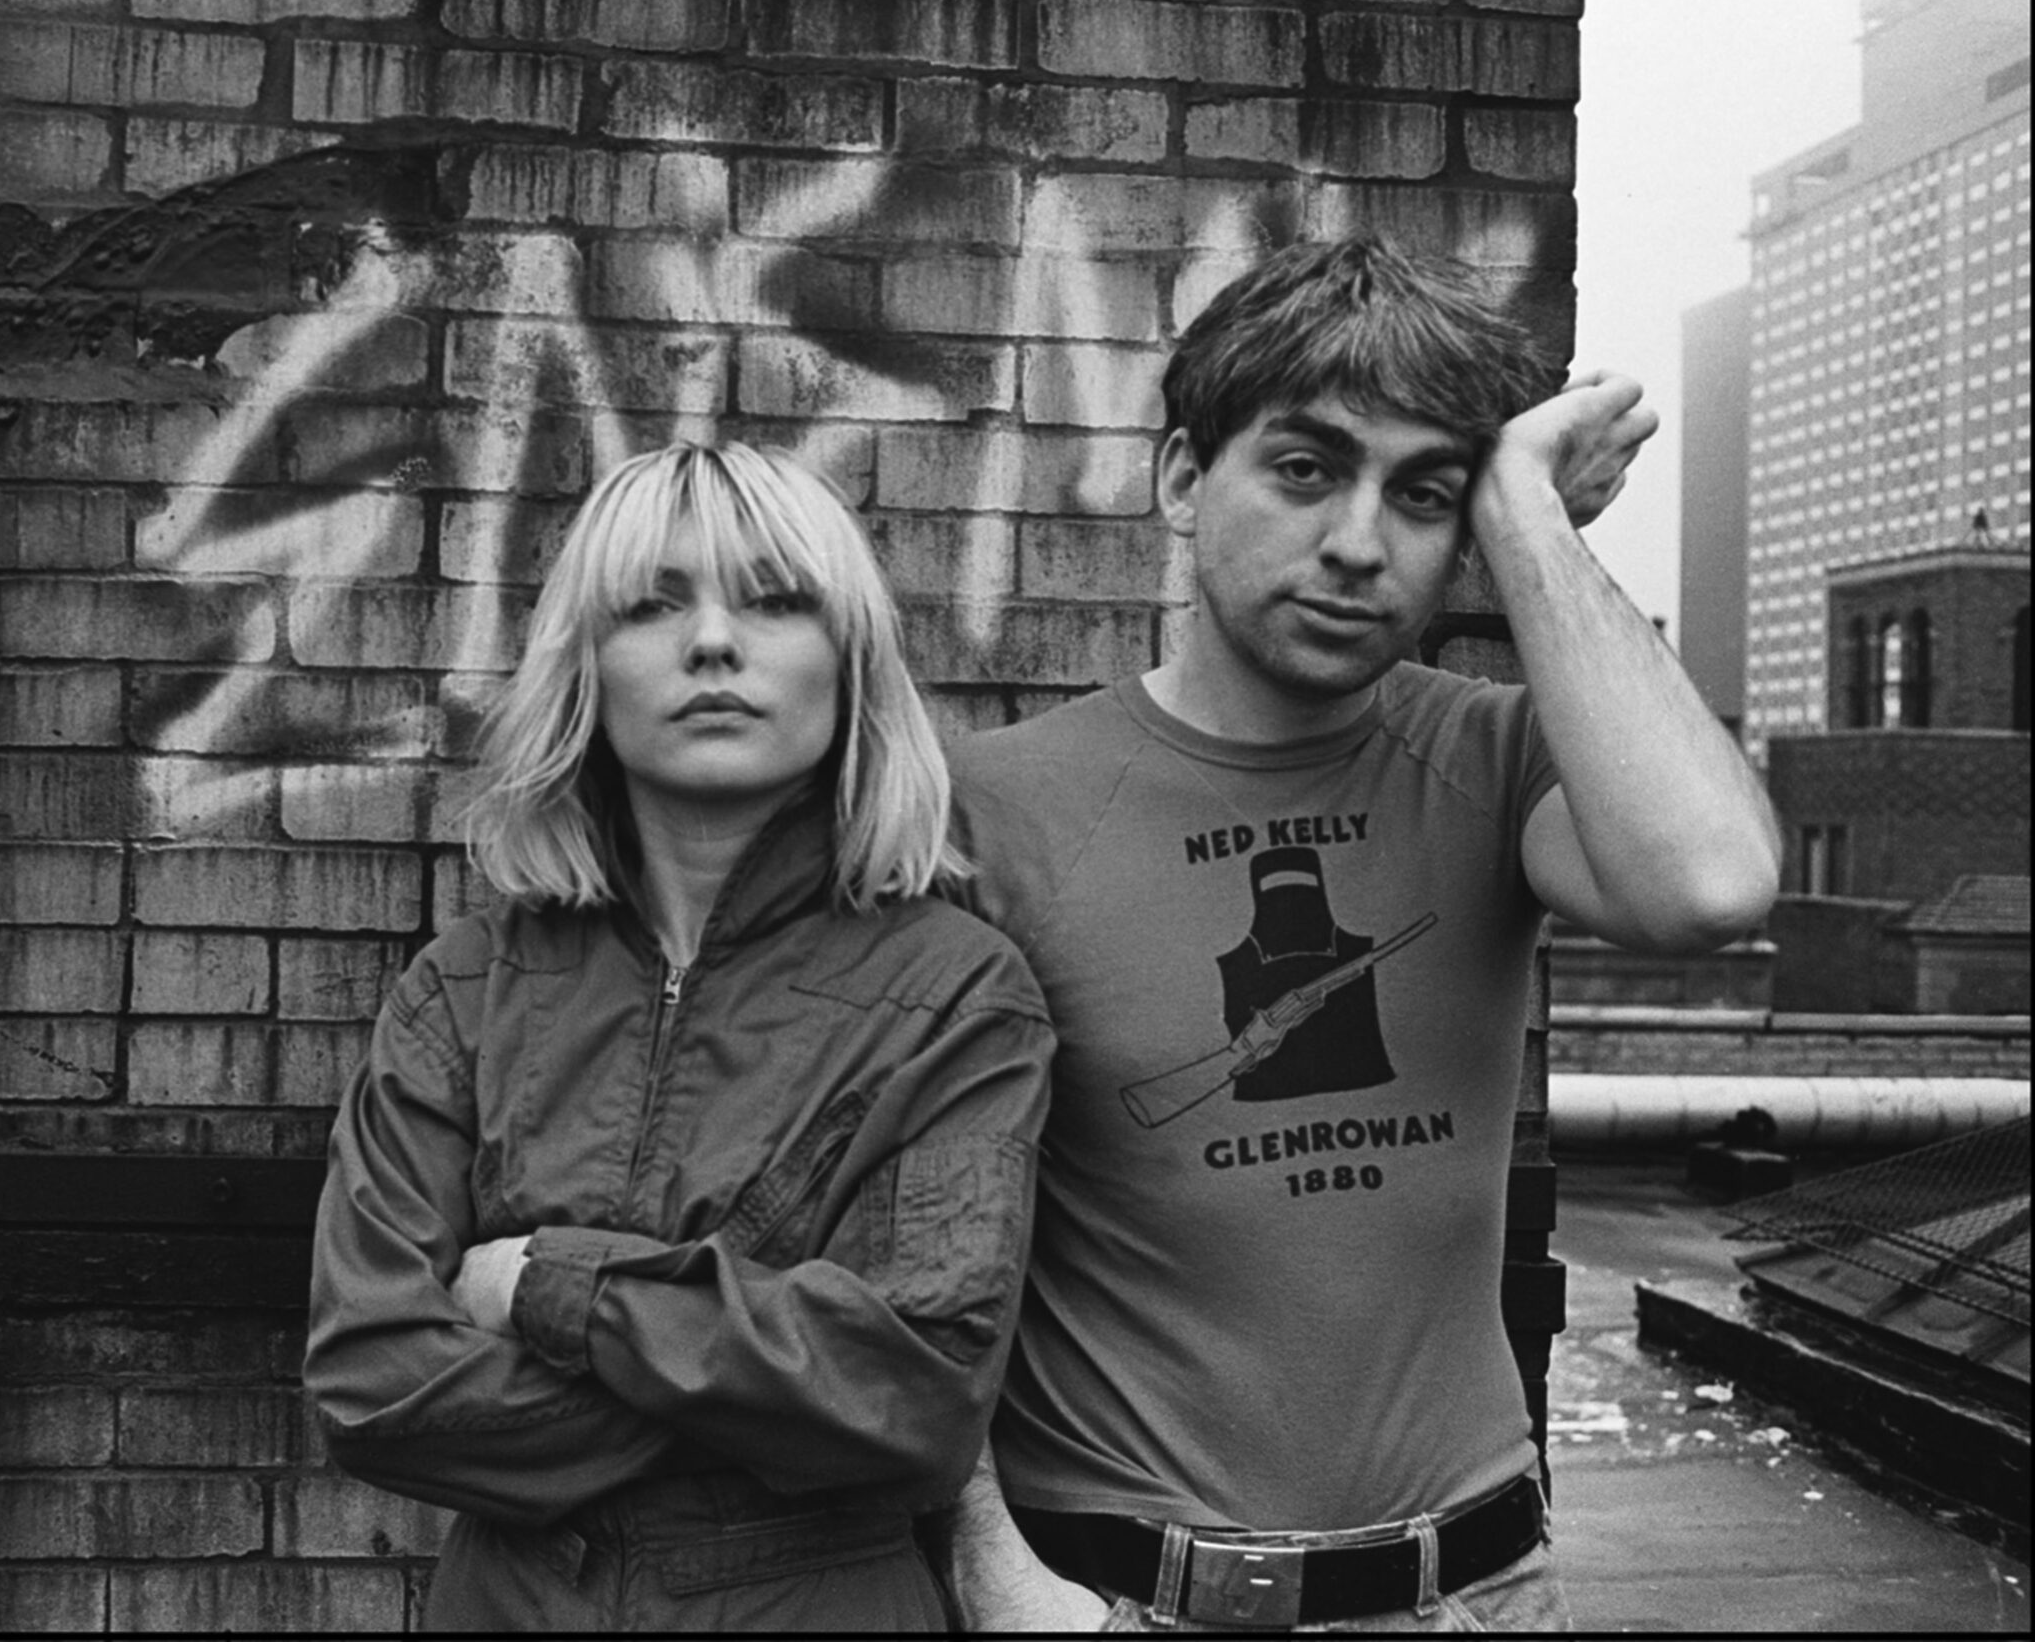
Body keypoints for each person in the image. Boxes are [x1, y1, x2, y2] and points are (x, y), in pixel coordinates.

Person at [940, 238, 1781, 1632]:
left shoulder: (1491, 757)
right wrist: (987, 1558)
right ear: (1182, 478)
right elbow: (911, 1230)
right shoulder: (998, 803)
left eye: (1422, 495)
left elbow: (1707, 884)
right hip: (1126, 1592)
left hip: (1480, 1590)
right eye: (1306, 468)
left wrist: (1526, 524)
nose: (1356, 542)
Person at [307, 441, 1055, 1631]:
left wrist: (552, 1291)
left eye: (775, 600)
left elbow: (910, 1400)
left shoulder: (955, 999)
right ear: (586, 668)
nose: (713, 643)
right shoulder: (466, 987)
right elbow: (370, 1384)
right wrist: (759, 1386)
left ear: (849, 663)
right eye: (652, 605)